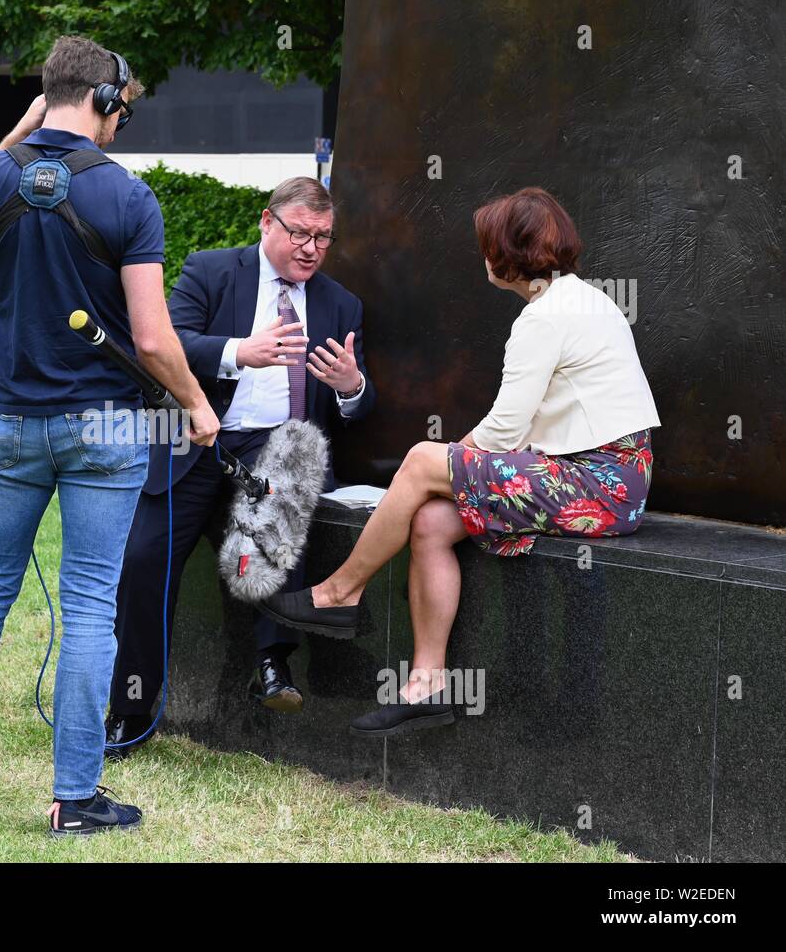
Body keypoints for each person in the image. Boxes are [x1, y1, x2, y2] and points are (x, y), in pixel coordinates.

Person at [0, 36, 219, 835]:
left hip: (12, 428)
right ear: (105, 101)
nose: (123, 124)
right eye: (123, 108)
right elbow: (151, 338)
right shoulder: (128, 197)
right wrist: (196, 404)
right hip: (105, 429)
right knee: (86, 607)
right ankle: (74, 799)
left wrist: (23, 131)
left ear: (46, 97)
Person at [260, 187, 660, 736]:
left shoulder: (545, 317)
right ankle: (426, 688)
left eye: (486, 245)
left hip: (596, 485)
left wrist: (438, 464)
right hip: (604, 481)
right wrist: (443, 472)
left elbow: (503, 432)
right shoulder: (585, 299)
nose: (482, 256)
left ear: (506, 253)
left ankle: (338, 593)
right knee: (429, 522)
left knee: (425, 459)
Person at [105, 177, 376, 756]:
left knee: (277, 511)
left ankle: (273, 667)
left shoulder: (340, 304)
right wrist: (237, 352)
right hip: (198, 442)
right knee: (145, 560)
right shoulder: (211, 270)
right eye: (299, 232)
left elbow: (361, 406)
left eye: (323, 237)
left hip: (276, 449)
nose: (310, 247)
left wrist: (352, 386)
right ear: (266, 222)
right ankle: (129, 709)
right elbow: (164, 342)